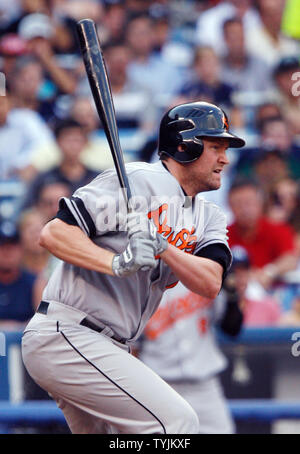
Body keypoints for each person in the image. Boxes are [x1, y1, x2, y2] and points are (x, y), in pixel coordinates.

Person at [21, 101, 246, 434]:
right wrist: (117, 262)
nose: (224, 159)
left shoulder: (208, 216)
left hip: (109, 345)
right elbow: (54, 233)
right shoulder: (138, 181)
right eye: (215, 147)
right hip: (69, 331)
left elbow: (210, 281)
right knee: (177, 425)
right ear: (186, 146)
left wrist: (163, 246)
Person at [137, 279, 243, 434]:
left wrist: (231, 292)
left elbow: (232, 326)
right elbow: (131, 345)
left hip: (204, 386)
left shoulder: (200, 272)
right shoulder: (141, 282)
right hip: (160, 387)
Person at [227, 178, 297, 290]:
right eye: (238, 204)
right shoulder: (222, 235)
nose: (245, 209)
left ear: (260, 203)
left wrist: (269, 272)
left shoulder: (278, 229)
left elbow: (290, 260)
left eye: (249, 203)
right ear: (230, 206)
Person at [224, 245, 281, 327]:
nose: (239, 277)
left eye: (243, 271)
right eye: (234, 272)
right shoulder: (218, 309)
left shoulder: (267, 306)